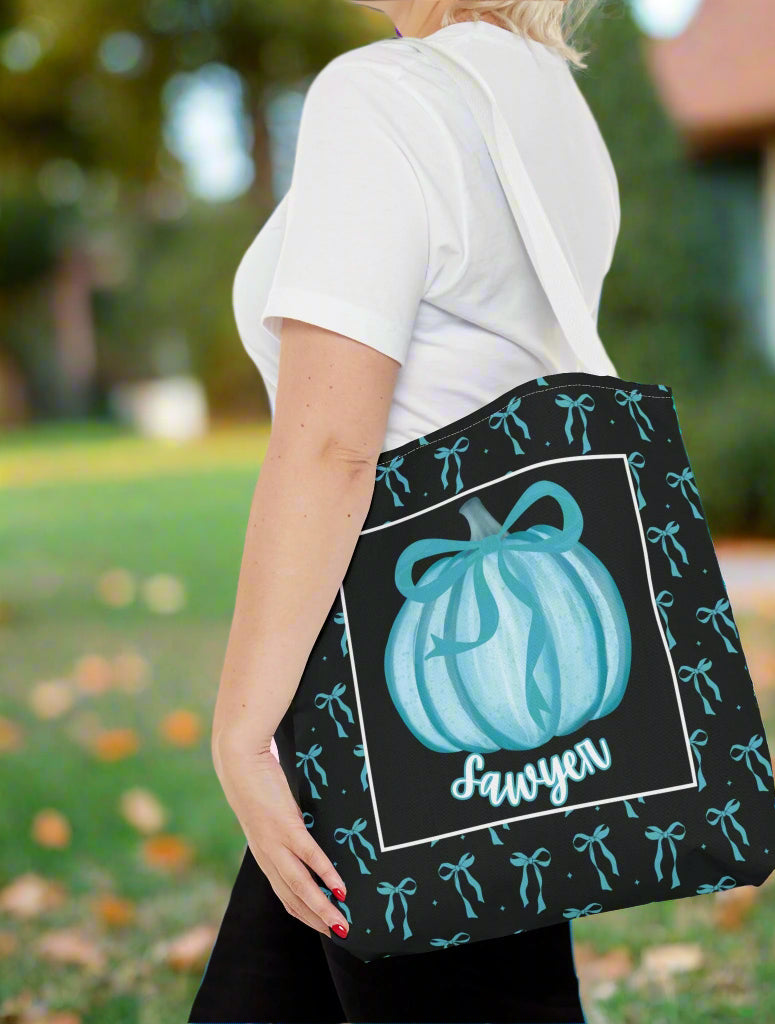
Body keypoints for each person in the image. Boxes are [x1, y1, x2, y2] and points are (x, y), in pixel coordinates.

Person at [187, 0, 619, 1020]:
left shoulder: (378, 93)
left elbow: (332, 443)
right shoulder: (544, 98)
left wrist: (243, 729)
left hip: (403, 687)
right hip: (511, 679)